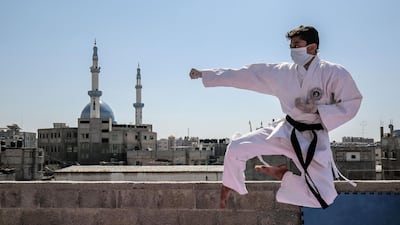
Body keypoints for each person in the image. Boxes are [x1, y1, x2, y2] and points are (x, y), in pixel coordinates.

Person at [189, 25, 362, 209]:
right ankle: (231, 184)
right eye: (291, 45)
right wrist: (207, 74)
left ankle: (283, 175)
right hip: (286, 130)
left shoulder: (334, 73)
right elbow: (247, 74)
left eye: (297, 45)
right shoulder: (283, 72)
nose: (292, 50)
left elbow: (352, 101)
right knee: (237, 147)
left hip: (314, 139)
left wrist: (319, 111)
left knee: (324, 198)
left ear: (312, 47)